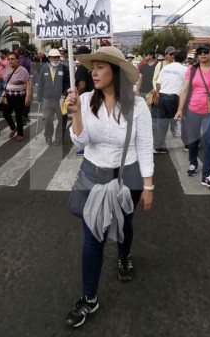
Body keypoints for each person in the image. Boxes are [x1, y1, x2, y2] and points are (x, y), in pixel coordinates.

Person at [64, 46, 154, 328]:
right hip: (93, 175)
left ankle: (124, 256)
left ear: (115, 72)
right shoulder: (87, 99)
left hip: (128, 178)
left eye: (101, 67)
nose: (94, 72)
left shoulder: (137, 105)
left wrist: (149, 185)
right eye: (93, 67)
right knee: (93, 238)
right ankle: (89, 298)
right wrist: (76, 113)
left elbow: (145, 145)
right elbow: (79, 143)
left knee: (125, 225)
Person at [174, 44, 210, 188]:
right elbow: (184, 90)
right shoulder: (192, 69)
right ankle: (193, 163)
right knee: (193, 140)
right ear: (196, 55)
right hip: (192, 110)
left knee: (209, 141)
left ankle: (207, 174)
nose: (203, 54)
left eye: (205, 52)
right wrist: (179, 109)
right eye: (200, 52)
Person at [153, 50, 187, 153]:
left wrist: (159, 93)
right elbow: (187, 86)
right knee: (182, 121)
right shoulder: (185, 69)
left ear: (174, 57)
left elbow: (158, 83)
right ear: (184, 58)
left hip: (162, 97)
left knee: (162, 123)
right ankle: (188, 144)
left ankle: (158, 147)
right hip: (175, 98)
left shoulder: (165, 68)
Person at [37, 49, 70, 146]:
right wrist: (39, 96)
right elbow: (40, 83)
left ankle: (59, 138)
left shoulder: (64, 68)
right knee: (46, 118)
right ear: (49, 58)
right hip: (47, 99)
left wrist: (64, 94)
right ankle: (48, 135)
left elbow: (67, 83)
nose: (56, 59)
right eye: (54, 57)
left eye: (58, 57)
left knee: (61, 120)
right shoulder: (44, 68)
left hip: (61, 100)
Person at [1, 51, 30, 142]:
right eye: (9, 59)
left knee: (18, 115)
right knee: (5, 114)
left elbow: (28, 83)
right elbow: (4, 80)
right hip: (8, 96)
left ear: (17, 60)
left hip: (19, 96)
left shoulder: (22, 70)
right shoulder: (6, 69)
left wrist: (27, 97)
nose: (10, 61)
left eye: (12, 59)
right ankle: (13, 128)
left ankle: (20, 134)